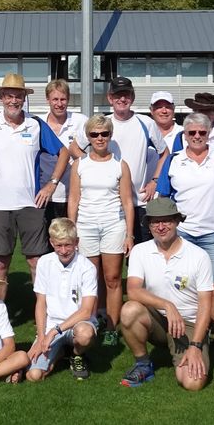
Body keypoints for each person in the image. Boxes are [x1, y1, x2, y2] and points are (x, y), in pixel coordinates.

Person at [0, 73, 69, 299]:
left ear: (24, 98)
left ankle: (44, 318)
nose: (13, 101)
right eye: (9, 96)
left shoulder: (36, 124)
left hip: (31, 204)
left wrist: (51, 185)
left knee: (36, 261)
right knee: (0, 263)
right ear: (1, 98)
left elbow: (64, 152)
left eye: (18, 96)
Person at [155, 112, 214, 351]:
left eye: (202, 132)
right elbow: (163, 197)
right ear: (184, 135)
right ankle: (181, 331)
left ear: (209, 134)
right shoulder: (174, 160)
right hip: (182, 234)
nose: (197, 136)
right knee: (181, 285)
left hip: (213, 233)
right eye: (192, 132)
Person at [118, 198, 214, 390]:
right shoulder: (140, 251)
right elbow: (133, 290)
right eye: (155, 222)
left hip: (189, 324)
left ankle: (196, 347)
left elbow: (205, 305)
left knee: (192, 383)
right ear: (149, 225)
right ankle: (143, 364)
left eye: (167, 221)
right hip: (158, 321)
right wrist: (167, 306)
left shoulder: (198, 255)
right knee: (129, 309)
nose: (161, 227)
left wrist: (195, 345)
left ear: (177, 221)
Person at [67, 114, 133, 345]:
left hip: (114, 225)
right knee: (91, 278)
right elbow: (74, 199)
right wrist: (71, 229)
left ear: (110, 135)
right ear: (88, 137)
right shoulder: (79, 164)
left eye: (104, 133)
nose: (100, 138)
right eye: (94, 134)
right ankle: (92, 322)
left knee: (113, 278)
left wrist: (129, 234)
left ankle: (113, 327)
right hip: (85, 226)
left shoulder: (120, 165)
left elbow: (127, 202)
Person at [77, 76, 167, 244]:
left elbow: (165, 153)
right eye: (118, 95)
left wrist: (155, 181)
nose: (122, 99)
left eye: (126, 95)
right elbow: (75, 148)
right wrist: (91, 164)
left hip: (139, 202)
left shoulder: (146, 123)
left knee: (140, 254)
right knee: (110, 260)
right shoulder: (102, 123)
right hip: (110, 205)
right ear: (110, 98)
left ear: (132, 97)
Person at [27, 218, 98, 382]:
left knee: (84, 335)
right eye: (59, 245)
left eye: (68, 245)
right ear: (51, 242)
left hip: (79, 324)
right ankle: (61, 351)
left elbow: (86, 311)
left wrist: (53, 332)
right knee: (34, 376)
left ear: (77, 242)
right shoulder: (44, 262)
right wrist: (41, 336)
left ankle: (77, 354)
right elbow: (40, 303)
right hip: (52, 324)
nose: (64, 250)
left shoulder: (87, 267)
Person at [39, 80, 88, 227]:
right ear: (48, 99)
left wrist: (77, 154)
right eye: (55, 99)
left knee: (72, 242)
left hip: (74, 195)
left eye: (63, 99)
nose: (59, 104)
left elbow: (97, 151)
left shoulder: (81, 121)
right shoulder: (38, 123)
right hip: (44, 195)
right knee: (47, 245)